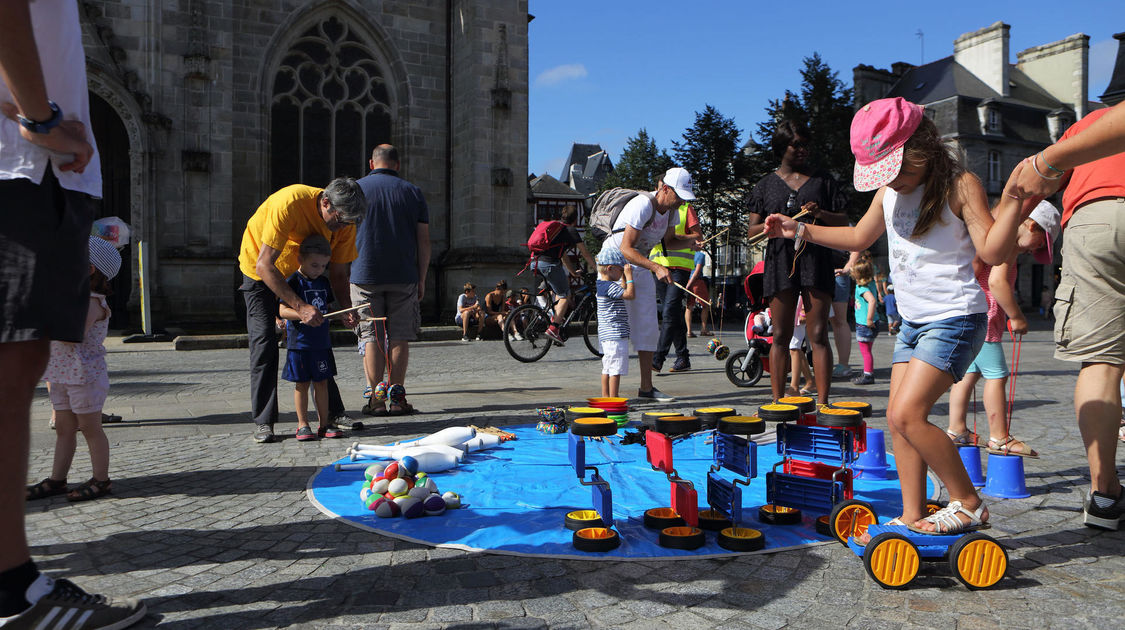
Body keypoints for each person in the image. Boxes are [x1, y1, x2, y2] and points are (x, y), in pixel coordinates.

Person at [763, 97, 1026, 536]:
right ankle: (912, 512)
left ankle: (967, 502)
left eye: (897, 169)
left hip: (956, 317)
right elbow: (858, 236)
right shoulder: (890, 192)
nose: (891, 181)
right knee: (897, 421)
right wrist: (799, 229)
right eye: (883, 173)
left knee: (907, 414)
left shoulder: (960, 185)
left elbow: (993, 252)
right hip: (913, 323)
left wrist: (1015, 200)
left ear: (921, 148)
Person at [0, 1, 146, 626]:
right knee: (9, 368)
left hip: (29, 162)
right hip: (23, 167)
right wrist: (38, 116)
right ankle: (11, 594)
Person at [1005, 102, 1125, 529]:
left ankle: (1105, 495)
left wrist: (1009, 231)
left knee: (1103, 363)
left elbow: (1038, 190)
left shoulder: (1088, 125)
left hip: (1096, 220)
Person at [239, 178, 365, 443]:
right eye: (339, 220)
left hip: (306, 275)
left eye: (348, 223)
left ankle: (331, 413)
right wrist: (300, 306)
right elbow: (265, 265)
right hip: (260, 273)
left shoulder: (346, 222)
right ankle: (264, 422)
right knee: (264, 343)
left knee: (316, 342)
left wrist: (345, 309)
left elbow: (340, 273)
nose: (342, 227)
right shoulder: (291, 202)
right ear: (325, 202)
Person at [746, 119, 850, 406]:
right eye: (796, 145)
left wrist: (822, 213)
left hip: (816, 259)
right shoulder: (766, 185)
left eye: (806, 144)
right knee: (780, 334)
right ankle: (777, 402)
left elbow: (844, 222)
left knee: (817, 334)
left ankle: (825, 402)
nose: (803, 150)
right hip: (780, 262)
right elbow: (751, 233)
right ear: (781, 147)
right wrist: (767, 227)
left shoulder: (824, 180)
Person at [945, 201, 1060, 458]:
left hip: (970, 318)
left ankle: (957, 429)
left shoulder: (998, 237)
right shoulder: (1006, 244)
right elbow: (997, 283)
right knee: (997, 376)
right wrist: (1017, 316)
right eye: (1040, 243)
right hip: (985, 321)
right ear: (1031, 226)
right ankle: (999, 437)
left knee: (968, 376)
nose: (1035, 251)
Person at [27, 237, 120, 504]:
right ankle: (57, 479)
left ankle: (101, 480)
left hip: (84, 376)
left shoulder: (92, 302)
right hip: (62, 374)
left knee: (90, 428)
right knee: (64, 428)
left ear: (89, 269)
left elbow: (72, 335)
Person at [607, 167, 701, 402]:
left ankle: (646, 389)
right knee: (616, 331)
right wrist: (657, 267)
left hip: (640, 265)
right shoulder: (642, 204)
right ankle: (611, 397)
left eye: (684, 198)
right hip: (615, 267)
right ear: (665, 189)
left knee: (648, 326)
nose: (680, 202)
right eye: (678, 196)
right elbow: (625, 248)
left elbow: (669, 242)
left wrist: (692, 242)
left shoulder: (672, 212)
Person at [353, 145, 430, 417]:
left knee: (371, 335)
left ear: (371, 164)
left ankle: (375, 401)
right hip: (403, 275)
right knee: (399, 335)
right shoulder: (413, 192)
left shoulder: (356, 189)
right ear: (398, 165)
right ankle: (397, 399)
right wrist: (421, 277)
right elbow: (424, 241)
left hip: (364, 274)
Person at [278, 235, 344, 441]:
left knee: (322, 382)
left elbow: (328, 307)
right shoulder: (292, 281)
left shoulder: (324, 282)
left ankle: (324, 424)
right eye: (314, 265)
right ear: (300, 260)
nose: (318, 270)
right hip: (299, 344)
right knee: (302, 383)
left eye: (323, 266)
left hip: (321, 343)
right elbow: (282, 310)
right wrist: (302, 314)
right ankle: (302, 424)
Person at [531, 206, 596, 344]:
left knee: (558, 293)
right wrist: (596, 268)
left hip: (535, 262)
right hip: (549, 265)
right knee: (565, 295)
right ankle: (553, 329)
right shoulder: (570, 230)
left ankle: (555, 318)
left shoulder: (557, 229)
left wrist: (572, 272)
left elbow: (563, 255)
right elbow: (584, 252)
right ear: (575, 218)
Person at [649, 202, 702, 372]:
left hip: (679, 267)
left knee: (669, 311)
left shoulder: (686, 209)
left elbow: (698, 236)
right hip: (658, 266)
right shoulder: (656, 208)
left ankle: (658, 358)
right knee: (674, 312)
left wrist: (677, 238)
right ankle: (683, 357)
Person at [595, 247, 635, 397]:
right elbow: (630, 294)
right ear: (610, 268)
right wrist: (629, 276)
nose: (621, 273)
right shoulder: (610, 286)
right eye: (619, 270)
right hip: (616, 334)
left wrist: (623, 277)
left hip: (607, 335)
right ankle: (613, 399)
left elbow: (622, 289)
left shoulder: (602, 286)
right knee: (615, 369)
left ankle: (606, 398)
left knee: (607, 368)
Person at [830, 250, 861, 379]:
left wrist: (847, 268)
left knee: (838, 320)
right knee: (818, 321)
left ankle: (843, 365)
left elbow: (856, 248)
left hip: (838, 274)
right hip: (816, 273)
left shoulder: (843, 228)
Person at [849, 254, 879, 386]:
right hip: (870, 323)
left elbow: (872, 301)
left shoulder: (862, 288)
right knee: (867, 350)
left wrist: (869, 319)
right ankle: (867, 371)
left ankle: (868, 375)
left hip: (864, 324)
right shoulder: (871, 283)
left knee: (865, 351)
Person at [786, 297, 814, 397]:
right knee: (794, 347)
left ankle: (794, 387)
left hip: (798, 306)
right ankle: (809, 382)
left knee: (794, 347)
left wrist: (802, 309)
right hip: (793, 305)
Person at [684, 249, 712, 337]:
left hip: (686, 279)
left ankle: (689, 331)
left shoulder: (686, 253)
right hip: (697, 281)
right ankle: (703, 329)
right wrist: (690, 283)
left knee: (689, 306)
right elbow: (697, 271)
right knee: (705, 305)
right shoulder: (700, 255)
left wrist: (687, 284)